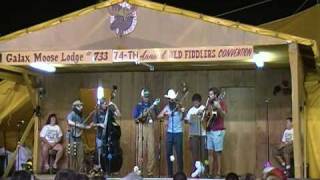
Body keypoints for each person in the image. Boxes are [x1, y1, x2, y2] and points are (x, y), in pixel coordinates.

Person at [157, 89, 184, 177]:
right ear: (168, 99)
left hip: (178, 133)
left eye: (173, 99)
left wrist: (181, 110)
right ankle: (170, 175)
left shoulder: (178, 106)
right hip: (169, 133)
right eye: (170, 99)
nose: (171, 101)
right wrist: (166, 114)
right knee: (169, 154)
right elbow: (159, 116)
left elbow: (183, 116)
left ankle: (180, 174)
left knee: (179, 154)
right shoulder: (167, 107)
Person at [132, 89, 158, 177]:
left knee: (151, 150)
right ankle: (140, 171)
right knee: (141, 150)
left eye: (147, 96)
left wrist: (151, 111)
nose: (146, 98)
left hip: (150, 127)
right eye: (145, 96)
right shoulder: (138, 106)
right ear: (142, 96)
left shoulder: (152, 105)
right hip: (141, 127)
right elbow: (135, 117)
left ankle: (150, 171)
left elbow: (155, 117)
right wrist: (143, 114)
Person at [92, 97, 121, 170]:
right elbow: (93, 124)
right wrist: (100, 124)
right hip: (100, 136)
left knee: (109, 153)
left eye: (106, 104)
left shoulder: (109, 111)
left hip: (109, 137)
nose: (106, 105)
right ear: (101, 105)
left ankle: (108, 168)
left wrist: (114, 105)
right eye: (104, 104)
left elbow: (119, 115)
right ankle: (100, 167)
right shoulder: (97, 112)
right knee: (100, 153)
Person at [205, 87, 227, 178]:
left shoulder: (221, 102)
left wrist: (219, 108)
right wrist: (205, 113)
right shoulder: (209, 103)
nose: (209, 96)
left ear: (216, 95)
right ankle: (210, 172)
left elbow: (223, 115)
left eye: (211, 94)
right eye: (209, 94)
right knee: (210, 152)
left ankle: (218, 173)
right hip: (209, 130)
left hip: (218, 130)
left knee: (218, 153)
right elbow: (206, 115)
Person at [184, 93, 207, 176]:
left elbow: (206, 118)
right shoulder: (191, 110)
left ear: (200, 101)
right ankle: (195, 171)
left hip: (203, 134)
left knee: (203, 154)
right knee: (194, 154)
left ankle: (204, 172)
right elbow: (186, 120)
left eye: (197, 101)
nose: (196, 103)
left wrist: (201, 115)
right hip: (194, 134)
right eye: (194, 101)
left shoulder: (203, 108)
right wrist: (188, 120)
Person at [66, 100, 92, 172]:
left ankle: (80, 172)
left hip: (79, 138)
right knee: (72, 155)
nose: (82, 107)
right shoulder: (72, 114)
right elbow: (69, 122)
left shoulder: (81, 116)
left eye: (81, 105)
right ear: (75, 107)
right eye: (80, 106)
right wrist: (78, 125)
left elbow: (83, 126)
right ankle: (72, 172)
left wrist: (89, 126)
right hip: (71, 138)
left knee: (81, 156)